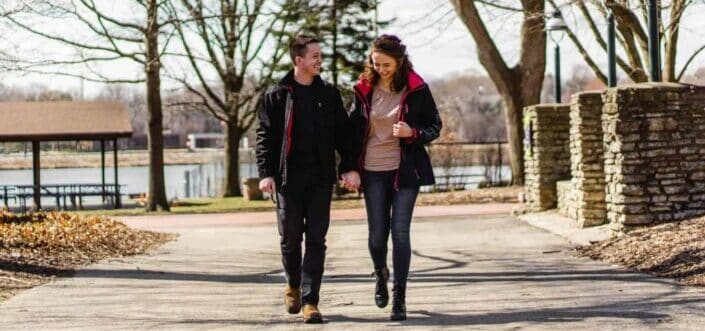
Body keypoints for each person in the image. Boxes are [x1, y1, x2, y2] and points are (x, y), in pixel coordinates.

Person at [255, 34, 360, 324]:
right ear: (298, 59)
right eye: (314, 55)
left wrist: (349, 167)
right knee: (290, 238)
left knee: (316, 239)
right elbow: (265, 137)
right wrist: (266, 174)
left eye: (320, 55)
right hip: (288, 180)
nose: (319, 60)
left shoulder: (328, 93)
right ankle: (293, 284)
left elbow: (344, 134)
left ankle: (311, 301)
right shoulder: (277, 94)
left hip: (320, 180)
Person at [349, 34, 442, 321]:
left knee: (400, 232)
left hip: (405, 170)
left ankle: (399, 296)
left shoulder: (416, 87)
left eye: (386, 64)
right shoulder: (364, 89)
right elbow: (352, 132)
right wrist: (349, 167)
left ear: (399, 61)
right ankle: (381, 274)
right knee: (378, 236)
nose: (380, 68)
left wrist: (412, 133)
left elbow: (435, 126)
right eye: (376, 63)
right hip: (373, 170)